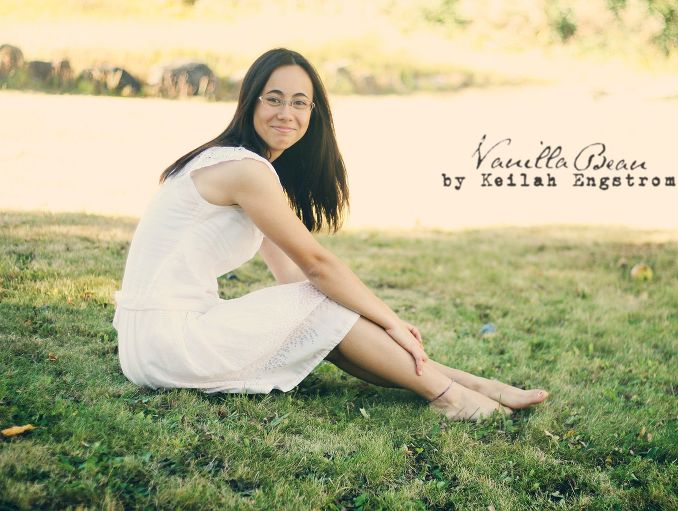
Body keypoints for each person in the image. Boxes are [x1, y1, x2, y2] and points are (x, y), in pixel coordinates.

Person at [112, 48, 548, 422]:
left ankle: (473, 385)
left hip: (149, 343)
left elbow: (293, 277)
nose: (287, 113)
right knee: (322, 301)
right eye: (274, 99)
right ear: (250, 102)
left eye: (300, 103)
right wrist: (391, 321)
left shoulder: (243, 168)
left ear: (313, 112)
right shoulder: (244, 170)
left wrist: (353, 317)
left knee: (323, 314)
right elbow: (318, 267)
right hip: (170, 342)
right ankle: (450, 398)